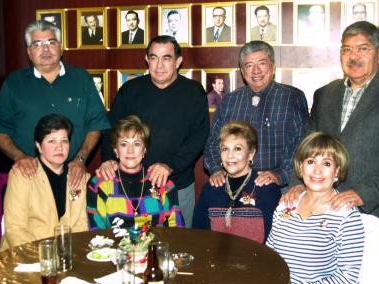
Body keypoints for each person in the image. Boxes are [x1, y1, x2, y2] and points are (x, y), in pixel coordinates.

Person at [283, 21, 379, 238]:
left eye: (363, 49)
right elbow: (307, 147)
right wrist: (297, 183)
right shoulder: (325, 94)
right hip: (322, 212)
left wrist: (364, 193)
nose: (353, 56)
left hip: (374, 212)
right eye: (347, 49)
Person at [98, 35, 209, 228]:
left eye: (166, 58)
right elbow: (111, 129)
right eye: (154, 57)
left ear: (178, 62)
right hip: (131, 187)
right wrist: (108, 158)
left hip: (177, 184)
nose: (159, 65)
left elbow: (198, 137)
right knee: (129, 245)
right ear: (147, 60)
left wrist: (170, 165)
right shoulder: (130, 90)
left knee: (178, 246)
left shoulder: (193, 91)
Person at [0, 20, 109, 189]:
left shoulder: (81, 78)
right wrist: (19, 157)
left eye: (51, 42)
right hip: (29, 176)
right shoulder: (14, 83)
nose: (45, 49)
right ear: (29, 52)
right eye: (37, 44)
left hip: (73, 176)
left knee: (77, 216)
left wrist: (80, 159)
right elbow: (0, 131)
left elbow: (96, 124)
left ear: (61, 48)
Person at [267, 131, 364, 284]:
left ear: (336, 171)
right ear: (301, 167)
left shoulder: (346, 216)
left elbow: (346, 278)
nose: (317, 170)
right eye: (310, 161)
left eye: (326, 164)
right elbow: (270, 255)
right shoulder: (285, 206)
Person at [204, 40, 308, 191]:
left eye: (262, 63)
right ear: (242, 71)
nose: (256, 71)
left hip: (278, 186)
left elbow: (301, 144)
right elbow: (213, 142)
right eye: (249, 65)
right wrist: (216, 169)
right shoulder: (229, 101)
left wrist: (281, 175)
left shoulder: (292, 97)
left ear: (273, 67)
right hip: (233, 183)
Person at [0, 114, 90, 253]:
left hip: (67, 255)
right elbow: (15, 229)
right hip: (23, 256)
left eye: (64, 141)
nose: (59, 147)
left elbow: (80, 224)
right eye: (52, 141)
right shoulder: (22, 175)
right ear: (39, 146)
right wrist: (46, 256)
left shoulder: (77, 178)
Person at [87, 115, 184, 230]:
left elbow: (177, 230)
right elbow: (96, 231)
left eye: (137, 144)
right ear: (115, 150)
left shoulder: (162, 182)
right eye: (124, 144)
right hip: (113, 247)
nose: (130, 150)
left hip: (155, 247)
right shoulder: (99, 184)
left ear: (144, 150)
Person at [193, 121, 280, 243]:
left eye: (237, 149)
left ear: (251, 153)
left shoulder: (266, 189)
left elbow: (273, 240)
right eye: (225, 149)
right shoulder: (211, 187)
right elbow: (199, 235)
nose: (230, 156)